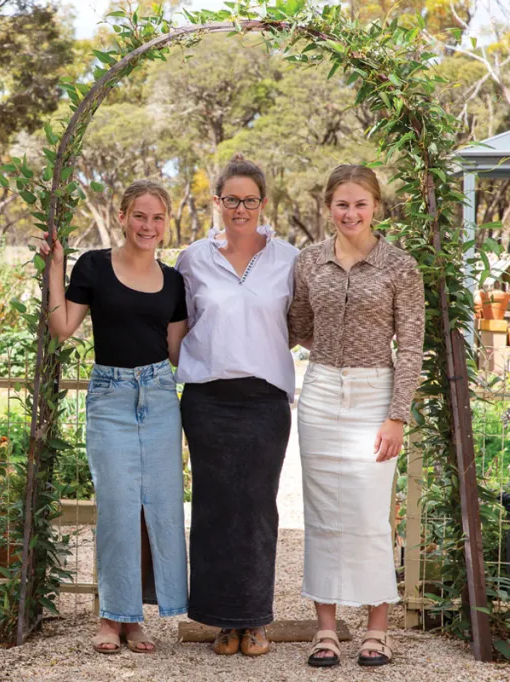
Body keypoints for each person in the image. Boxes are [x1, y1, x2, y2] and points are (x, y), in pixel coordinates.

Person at [40, 179, 188, 655]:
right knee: (118, 507)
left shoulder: (175, 281)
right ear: (123, 217)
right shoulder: (94, 267)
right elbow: (62, 328)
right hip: (110, 396)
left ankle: (136, 619)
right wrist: (56, 266)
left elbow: (178, 354)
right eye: (140, 215)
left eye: (157, 217)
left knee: (159, 508)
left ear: (166, 224)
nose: (148, 225)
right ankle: (111, 617)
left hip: (160, 396)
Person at [289, 164, 424, 668]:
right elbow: (299, 324)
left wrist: (396, 416)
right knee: (321, 515)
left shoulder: (399, 266)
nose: (351, 213)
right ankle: (325, 630)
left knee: (370, 515)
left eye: (360, 204)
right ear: (329, 207)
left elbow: (410, 346)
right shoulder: (308, 262)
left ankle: (376, 629)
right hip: (321, 392)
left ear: (376, 208)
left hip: (376, 395)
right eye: (342, 204)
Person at [174, 153, 299, 657]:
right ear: (217, 201)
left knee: (257, 508)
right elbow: (177, 329)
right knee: (212, 507)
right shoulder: (192, 259)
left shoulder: (289, 259)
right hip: (207, 401)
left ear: (263, 204)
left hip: (265, 401)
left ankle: (255, 621)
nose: (240, 208)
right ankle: (222, 623)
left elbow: (299, 322)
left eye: (250, 200)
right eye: (232, 200)